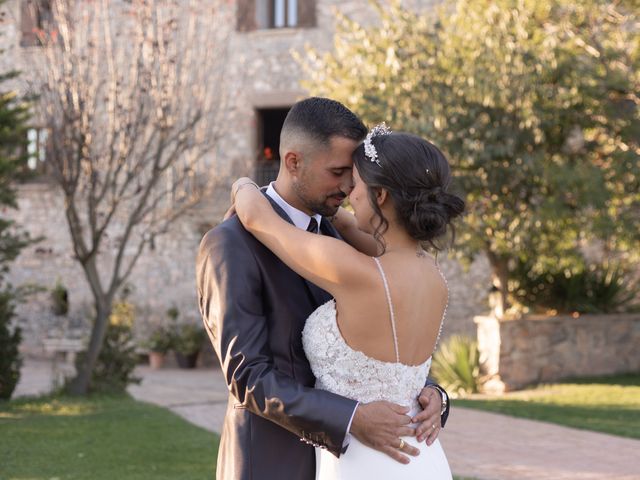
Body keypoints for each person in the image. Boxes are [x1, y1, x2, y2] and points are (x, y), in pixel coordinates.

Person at [196, 98, 451, 480]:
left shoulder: (351, 240)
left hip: (367, 460)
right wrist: (350, 419)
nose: (349, 187)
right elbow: (247, 376)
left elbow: (381, 347)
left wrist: (430, 392)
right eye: (338, 172)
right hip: (274, 462)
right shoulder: (231, 243)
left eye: (356, 175)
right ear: (294, 161)